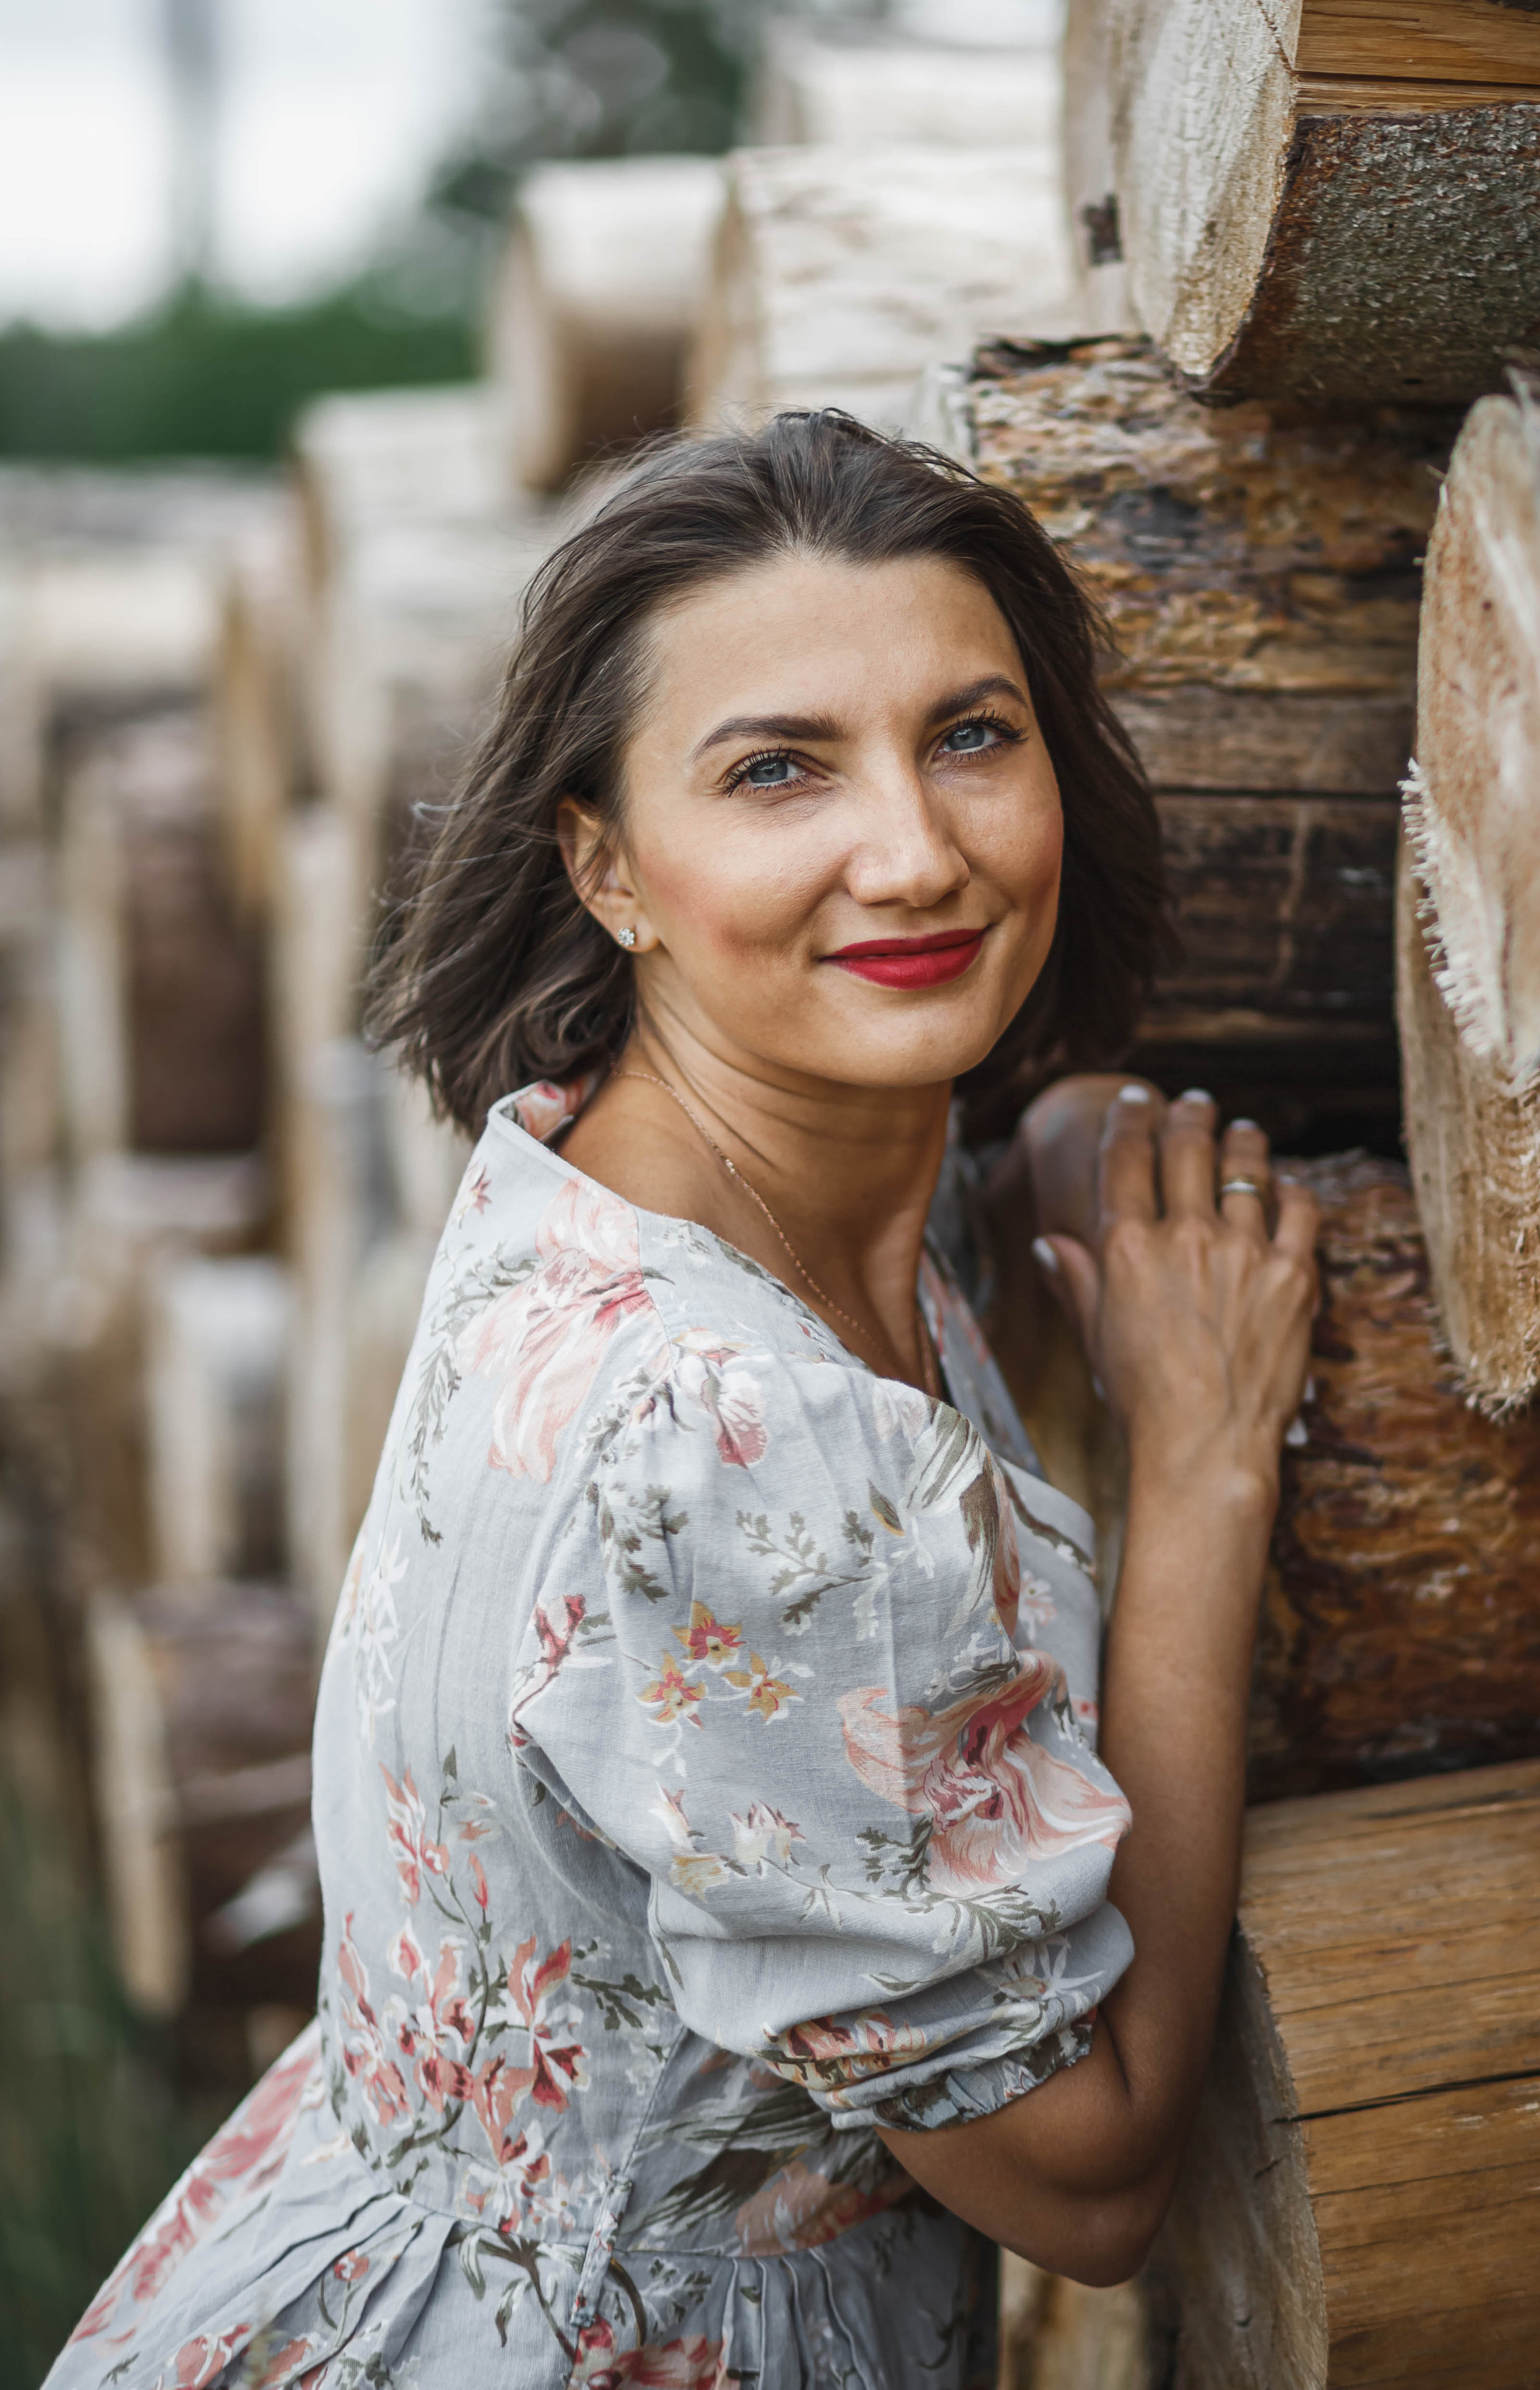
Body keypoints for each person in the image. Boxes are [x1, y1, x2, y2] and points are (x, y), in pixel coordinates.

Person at [50, 414, 1316, 2390]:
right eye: (777, 769)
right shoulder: (737, 1431)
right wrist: (1212, 1460)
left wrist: (1058, 1140)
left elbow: (931, 1212)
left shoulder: (592, 1163)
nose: (912, 849)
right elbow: (1085, 2180)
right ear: (606, 861)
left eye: (971, 735)